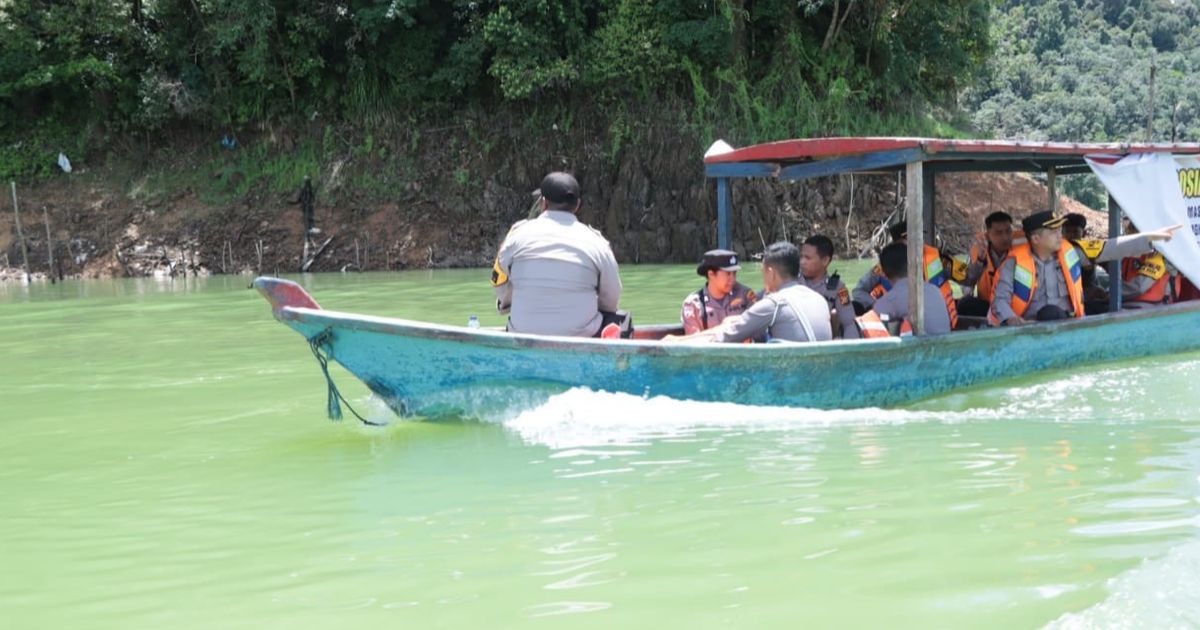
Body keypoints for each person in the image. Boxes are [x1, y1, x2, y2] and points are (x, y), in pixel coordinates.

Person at [988, 211, 1180, 325]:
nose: (1059, 235)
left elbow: (1109, 247)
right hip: (1030, 326)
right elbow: (1000, 301)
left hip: (1068, 323)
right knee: (1049, 313)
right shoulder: (1013, 264)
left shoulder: (1072, 252)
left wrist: (1148, 237)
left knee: (1078, 310)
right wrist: (1011, 320)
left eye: (1059, 231)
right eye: (1053, 232)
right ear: (1036, 239)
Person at [491, 172, 622, 337]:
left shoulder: (516, 236)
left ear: (543, 203)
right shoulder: (597, 243)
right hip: (583, 337)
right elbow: (611, 299)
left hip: (522, 334)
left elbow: (499, 283)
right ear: (577, 206)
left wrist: (507, 304)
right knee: (618, 319)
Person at [669, 242, 831, 343]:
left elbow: (725, 337)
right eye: (727, 273)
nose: (732, 279)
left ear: (771, 273)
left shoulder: (773, 304)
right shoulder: (819, 299)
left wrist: (677, 341)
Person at [852, 221, 958, 328]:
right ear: (898, 243)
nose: (919, 241)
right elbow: (858, 291)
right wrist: (874, 303)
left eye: (920, 236)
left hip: (947, 327)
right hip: (898, 320)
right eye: (911, 238)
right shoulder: (885, 265)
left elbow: (967, 277)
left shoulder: (938, 258)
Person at [857, 243, 953, 336]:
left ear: (884, 274)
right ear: (912, 264)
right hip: (945, 348)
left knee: (868, 320)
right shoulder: (935, 290)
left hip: (922, 350)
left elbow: (874, 317)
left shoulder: (891, 300)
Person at [958, 211, 1022, 317]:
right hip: (987, 306)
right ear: (988, 236)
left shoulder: (1021, 251)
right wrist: (979, 261)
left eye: (1008, 231)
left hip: (1014, 308)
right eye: (999, 233)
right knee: (965, 303)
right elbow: (965, 281)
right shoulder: (976, 250)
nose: (1005, 237)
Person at [680, 249, 757, 334]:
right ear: (711, 274)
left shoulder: (746, 295)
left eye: (734, 273)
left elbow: (759, 331)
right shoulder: (693, 305)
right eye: (728, 274)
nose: (733, 279)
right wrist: (722, 329)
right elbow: (694, 341)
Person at [799, 235, 860, 339]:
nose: (802, 262)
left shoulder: (838, 288)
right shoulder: (790, 279)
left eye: (807, 258)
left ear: (825, 260)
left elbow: (849, 323)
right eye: (801, 256)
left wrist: (851, 351)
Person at [1120, 221, 1172, 307]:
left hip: (1149, 307)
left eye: (1132, 229)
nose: (1128, 233)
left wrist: (1109, 293)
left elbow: (1139, 287)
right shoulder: (1131, 253)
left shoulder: (1157, 255)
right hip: (1128, 303)